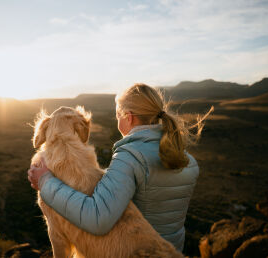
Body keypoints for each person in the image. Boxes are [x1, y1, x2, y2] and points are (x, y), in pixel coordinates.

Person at [28, 84, 210, 252]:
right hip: (172, 250)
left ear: (128, 117)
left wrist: (46, 180)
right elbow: (147, 188)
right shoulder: (186, 160)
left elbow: (97, 218)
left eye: (117, 116)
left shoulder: (129, 157)